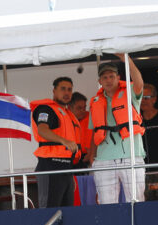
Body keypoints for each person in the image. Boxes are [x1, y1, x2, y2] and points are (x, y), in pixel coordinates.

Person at [89, 56, 146, 204]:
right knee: (106, 204)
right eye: (104, 77)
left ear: (118, 77)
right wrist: (92, 159)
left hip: (131, 155)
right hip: (103, 160)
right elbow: (94, 132)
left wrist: (126, 59)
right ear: (99, 81)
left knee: (136, 201)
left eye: (112, 76)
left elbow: (139, 82)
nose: (108, 80)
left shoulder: (130, 94)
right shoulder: (95, 102)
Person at [30, 77, 81, 208]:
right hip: (50, 167)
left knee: (67, 212)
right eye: (63, 89)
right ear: (54, 91)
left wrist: (70, 174)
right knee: (49, 211)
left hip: (66, 169)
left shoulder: (67, 114)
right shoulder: (46, 109)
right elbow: (42, 130)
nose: (67, 93)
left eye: (70, 89)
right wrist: (64, 141)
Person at [69, 92, 92, 167]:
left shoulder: (92, 118)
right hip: (69, 158)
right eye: (79, 108)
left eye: (84, 107)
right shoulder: (63, 121)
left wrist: (91, 153)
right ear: (69, 108)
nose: (83, 111)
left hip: (89, 158)